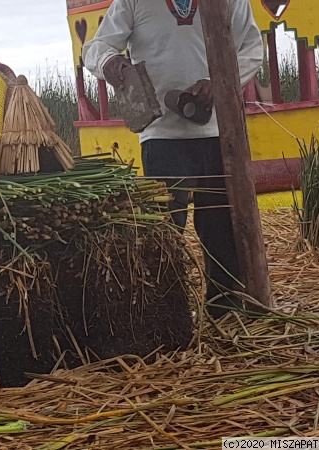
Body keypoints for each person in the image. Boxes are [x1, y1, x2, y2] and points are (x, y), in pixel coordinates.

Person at [81, 0, 264, 319]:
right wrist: (111, 62)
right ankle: (168, 316)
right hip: (161, 135)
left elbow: (251, 47)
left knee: (222, 227)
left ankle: (227, 311)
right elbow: (97, 47)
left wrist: (218, 82)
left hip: (219, 132)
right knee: (165, 232)